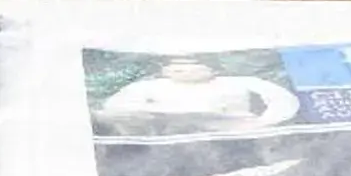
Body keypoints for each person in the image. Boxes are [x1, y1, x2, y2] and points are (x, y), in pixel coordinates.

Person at [97, 56, 299, 135]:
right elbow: (115, 108)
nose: (185, 71)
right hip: (161, 131)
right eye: (177, 67)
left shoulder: (240, 82)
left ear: (213, 68)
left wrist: (264, 122)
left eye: (193, 66)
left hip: (230, 129)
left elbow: (283, 101)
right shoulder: (146, 87)